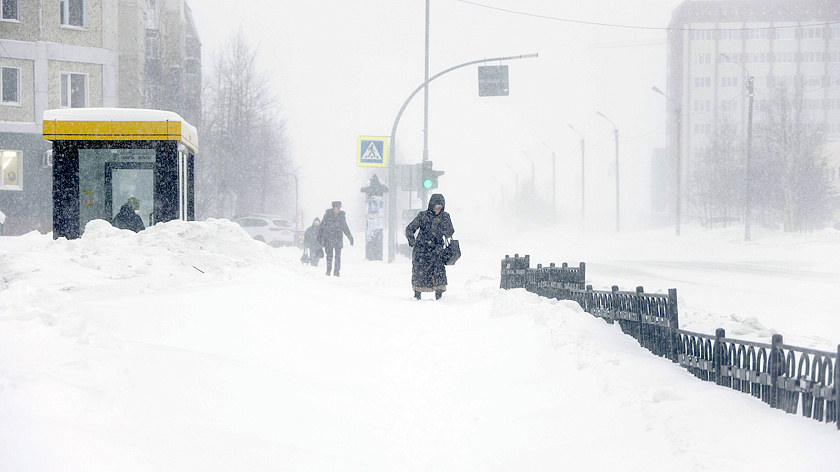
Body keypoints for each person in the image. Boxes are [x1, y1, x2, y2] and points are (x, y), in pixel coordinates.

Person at [405, 193, 454, 300]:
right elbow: (410, 229)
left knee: (438, 272)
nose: (437, 210)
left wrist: (445, 227)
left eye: (440, 208)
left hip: (437, 250)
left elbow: (450, 231)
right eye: (436, 207)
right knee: (420, 273)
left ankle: (439, 295)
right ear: (431, 206)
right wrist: (412, 241)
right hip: (422, 250)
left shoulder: (445, 216)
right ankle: (417, 294)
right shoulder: (422, 216)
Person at [318, 201, 353, 277]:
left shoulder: (342, 216)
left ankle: (337, 272)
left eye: (339, 208)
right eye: (337, 207)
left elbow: (345, 227)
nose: (338, 209)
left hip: (338, 239)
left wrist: (350, 237)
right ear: (333, 208)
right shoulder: (327, 215)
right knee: (329, 256)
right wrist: (319, 238)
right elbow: (322, 227)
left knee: (338, 256)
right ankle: (328, 270)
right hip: (328, 239)